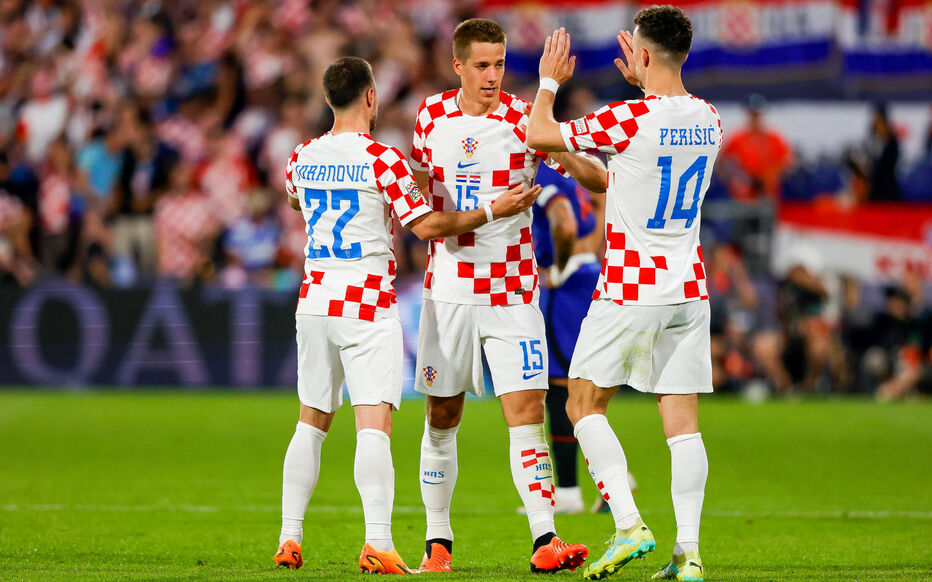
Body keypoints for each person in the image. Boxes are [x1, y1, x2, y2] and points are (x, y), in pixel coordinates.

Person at [273, 56, 541, 574]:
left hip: (314, 300)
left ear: (328, 100)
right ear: (371, 97)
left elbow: (294, 202)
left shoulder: (301, 156)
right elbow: (426, 226)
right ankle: (378, 541)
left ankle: (289, 537)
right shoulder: (383, 159)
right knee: (373, 424)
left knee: (311, 420)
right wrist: (494, 210)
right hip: (365, 302)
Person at [527, 7, 721, 580]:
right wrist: (646, 82)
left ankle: (630, 524)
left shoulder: (627, 117)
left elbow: (538, 132)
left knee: (581, 403)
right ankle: (689, 554)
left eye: (634, 48)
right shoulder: (709, 117)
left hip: (631, 286)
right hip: (688, 289)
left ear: (644, 55)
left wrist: (548, 83)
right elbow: (618, 176)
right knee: (682, 421)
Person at [408, 18, 606, 575]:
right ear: (458, 66)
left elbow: (594, 178)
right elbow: (420, 190)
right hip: (449, 292)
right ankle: (437, 542)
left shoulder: (524, 119)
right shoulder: (430, 117)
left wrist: (564, 150)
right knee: (442, 415)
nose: (492, 75)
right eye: (481, 65)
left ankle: (545, 537)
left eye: (499, 64)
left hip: (514, 292)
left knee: (526, 412)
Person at [529, 164, 639, 515]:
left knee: (562, 387)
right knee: (581, 389)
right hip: (588, 273)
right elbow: (601, 202)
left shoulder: (542, 174)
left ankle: (569, 491)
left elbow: (564, 223)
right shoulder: (572, 168)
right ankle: (612, 480)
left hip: (566, 285)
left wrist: (561, 267)